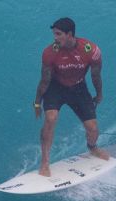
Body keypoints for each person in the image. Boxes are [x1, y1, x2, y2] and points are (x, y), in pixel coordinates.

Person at [33, 17, 109, 177]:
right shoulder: (49, 52)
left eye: (58, 34)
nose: (55, 38)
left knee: (93, 128)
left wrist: (99, 94)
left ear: (69, 34)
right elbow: (45, 80)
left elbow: (96, 76)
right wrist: (37, 102)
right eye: (54, 34)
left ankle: (92, 147)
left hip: (78, 89)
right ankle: (45, 162)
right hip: (56, 87)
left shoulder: (90, 50)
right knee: (51, 118)